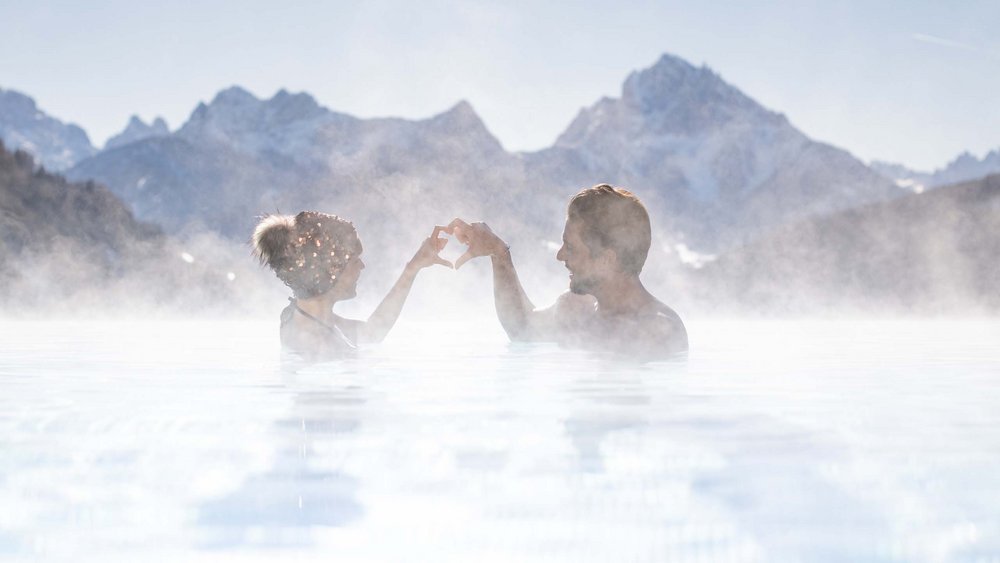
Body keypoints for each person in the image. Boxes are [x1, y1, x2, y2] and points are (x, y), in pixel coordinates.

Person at [446, 184, 687, 359]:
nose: (560, 255)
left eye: (570, 247)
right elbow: (522, 327)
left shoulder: (657, 331)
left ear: (606, 259)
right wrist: (499, 254)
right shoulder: (576, 309)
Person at [252, 211, 450, 359]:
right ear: (330, 269)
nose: (362, 266)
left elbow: (372, 332)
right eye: (355, 259)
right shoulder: (316, 342)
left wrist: (413, 267)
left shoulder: (301, 316)